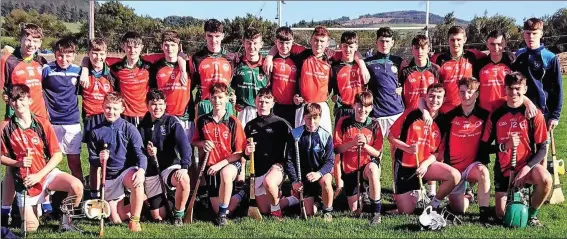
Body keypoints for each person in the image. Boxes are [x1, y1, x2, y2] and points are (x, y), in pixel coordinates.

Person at [1, 84, 84, 232]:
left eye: (21, 99)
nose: (18, 103)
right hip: (25, 182)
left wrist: (40, 175)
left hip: (45, 174)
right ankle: (34, 209)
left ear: (29, 100)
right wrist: (17, 163)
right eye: (14, 100)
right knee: (31, 228)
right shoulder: (5, 127)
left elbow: (57, 155)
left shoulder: (42, 123)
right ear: (9, 102)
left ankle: (66, 223)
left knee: (77, 186)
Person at [264, 26, 369, 133]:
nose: (318, 44)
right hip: (304, 106)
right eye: (316, 40)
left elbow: (354, 52)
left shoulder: (331, 57)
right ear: (311, 40)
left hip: (321, 106)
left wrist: (362, 65)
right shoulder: (302, 54)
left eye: (322, 41)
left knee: (323, 141)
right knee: (300, 142)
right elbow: (279, 44)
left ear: (327, 43)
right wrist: (269, 57)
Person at [478, 72, 551, 226]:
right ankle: (513, 196)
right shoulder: (496, 115)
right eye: (510, 88)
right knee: (502, 215)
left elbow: (543, 148)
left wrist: (526, 169)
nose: (514, 92)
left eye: (518, 88)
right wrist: (505, 146)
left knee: (545, 178)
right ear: (504, 89)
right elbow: (484, 148)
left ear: (525, 89)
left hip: (527, 167)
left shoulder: (533, 114)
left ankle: (532, 215)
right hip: (504, 169)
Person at [1, 23, 49, 225]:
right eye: (28, 39)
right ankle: (4, 210)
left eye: (36, 40)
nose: (31, 44)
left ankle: (43, 205)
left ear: (40, 43)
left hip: (39, 121)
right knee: (13, 167)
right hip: (17, 123)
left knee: (42, 162)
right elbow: (4, 90)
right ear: (20, 39)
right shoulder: (8, 61)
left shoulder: (42, 61)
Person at [388, 83, 461, 214]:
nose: (435, 100)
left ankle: (434, 203)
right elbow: (391, 136)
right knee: (406, 212)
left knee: (454, 175)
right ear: (425, 97)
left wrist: (426, 165)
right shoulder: (411, 114)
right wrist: (407, 148)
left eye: (439, 97)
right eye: (431, 96)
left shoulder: (443, 122)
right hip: (405, 167)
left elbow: (437, 153)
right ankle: (412, 194)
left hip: (425, 167)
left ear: (444, 100)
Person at [87, 92, 147, 232]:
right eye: (108, 107)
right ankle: (143, 201)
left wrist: (141, 171)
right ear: (102, 107)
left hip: (125, 172)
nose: (111, 112)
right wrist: (100, 159)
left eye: (115, 108)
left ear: (122, 109)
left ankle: (135, 220)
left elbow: (141, 154)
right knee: (116, 219)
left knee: (136, 180)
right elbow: (91, 159)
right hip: (109, 177)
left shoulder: (129, 128)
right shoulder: (96, 131)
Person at [192, 82, 247, 226]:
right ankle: (241, 195)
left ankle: (222, 216)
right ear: (209, 98)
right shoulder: (202, 120)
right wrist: (203, 143)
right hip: (210, 166)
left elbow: (239, 152)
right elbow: (195, 141)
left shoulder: (233, 121)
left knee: (226, 174)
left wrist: (220, 165)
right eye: (214, 97)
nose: (217, 101)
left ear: (227, 98)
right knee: (219, 208)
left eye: (221, 97)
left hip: (230, 163)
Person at [441, 77, 491, 224]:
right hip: (454, 169)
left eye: (470, 92)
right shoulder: (450, 116)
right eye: (462, 92)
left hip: (472, 166)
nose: (466, 96)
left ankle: (484, 215)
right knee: (459, 208)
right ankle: (469, 195)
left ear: (477, 94)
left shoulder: (485, 115)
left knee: (483, 173)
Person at [139, 89, 191, 226]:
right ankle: (170, 199)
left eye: (161, 104)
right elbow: (138, 150)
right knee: (158, 217)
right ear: (147, 105)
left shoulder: (171, 121)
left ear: (165, 104)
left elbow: (184, 145)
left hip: (169, 167)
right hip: (152, 170)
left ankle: (179, 215)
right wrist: (148, 151)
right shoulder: (142, 124)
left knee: (184, 180)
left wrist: (185, 167)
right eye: (154, 104)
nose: (157, 108)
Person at [243, 88, 297, 219]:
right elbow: (244, 155)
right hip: (258, 169)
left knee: (269, 182)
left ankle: (277, 213)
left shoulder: (281, 123)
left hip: (277, 167)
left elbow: (294, 147)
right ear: (255, 102)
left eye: (267, 102)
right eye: (260, 101)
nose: (263, 105)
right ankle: (292, 200)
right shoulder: (250, 126)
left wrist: (291, 173)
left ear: (273, 103)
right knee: (265, 209)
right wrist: (246, 152)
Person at [334, 91, 383, 225]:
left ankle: (376, 212)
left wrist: (365, 145)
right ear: (354, 105)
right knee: (355, 209)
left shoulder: (374, 124)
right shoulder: (343, 122)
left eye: (367, 106)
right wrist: (352, 143)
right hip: (350, 169)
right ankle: (362, 194)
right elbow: (337, 149)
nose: (363, 110)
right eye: (360, 105)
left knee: (373, 169)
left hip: (367, 166)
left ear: (371, 107)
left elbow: (378, 153)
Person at [41, 37, 84, 183]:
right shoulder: (47, 70)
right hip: (52, 123)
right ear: (54, 54)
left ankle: (80, 194)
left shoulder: (78, 71)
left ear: (74, 55)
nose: (64, 59)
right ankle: (46, 196)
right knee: (49, 161)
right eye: (60, 55)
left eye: (68, 55)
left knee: (74, 162)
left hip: (72, 122)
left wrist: (85, 69)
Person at [79, 38, 116, 199]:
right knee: (94, 161)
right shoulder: (83, 73)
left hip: (108, 119)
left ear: (106, 54)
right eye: (94, 53)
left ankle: (111, 193)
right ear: (89, 53)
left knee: (111, 158)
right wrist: (84, 68)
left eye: (101, 54)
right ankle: (94, 195)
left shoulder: (112, 73)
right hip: (90, 121)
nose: (97, 57)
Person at [286, 103, 335, 221]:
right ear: (303, 117)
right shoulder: (295, 134)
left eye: (315, 118)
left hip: (320, 175)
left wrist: (319, 173)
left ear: (320, 117)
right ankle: (317, 203)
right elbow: (289, 160)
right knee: (309, 213)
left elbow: (329, 162)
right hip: (304, 178)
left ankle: (327, 211)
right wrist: (294, 181)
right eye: (308, 118)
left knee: (327, 182)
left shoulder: (325, 136)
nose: (311, 122)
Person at [513, 18, 563, 135]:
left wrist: (555, 116)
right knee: (525, 150)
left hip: (543, 111)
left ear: (541, 33)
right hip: (521, 109)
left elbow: (558, 88)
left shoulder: (550, 57)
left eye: (534, 33)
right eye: (528, 33)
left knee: (542, 149)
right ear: (523, 34)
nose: (531, 37)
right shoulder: (518, 55)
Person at [149, 30, 193, 142]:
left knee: (186, 151)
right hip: (164, 116)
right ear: (162, 46)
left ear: (179, 46)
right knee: (166, 151)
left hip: (185, 117)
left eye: (173, 45)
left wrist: (182, 62)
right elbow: (153, 91)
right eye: (166, 45)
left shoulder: (188, 67)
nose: (169, 48)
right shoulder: (155, 67)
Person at [189, 19, 237, 118]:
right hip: (205, 104)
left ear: (223, 36)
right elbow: (191, 85)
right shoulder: (196, 58)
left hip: (225, 104)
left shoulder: (232, 58)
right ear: (205, 36)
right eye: (210, 36)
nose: (213, 40)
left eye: (217, 36)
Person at [364, 27, 405, 138]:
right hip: (377, 113)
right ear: (376, 42)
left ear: (392, 42)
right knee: (376, 150)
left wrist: (401, 88)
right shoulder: (367, 63)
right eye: (382, 41)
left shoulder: (398, 61)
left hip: (396, 111)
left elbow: (405, 81)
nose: (384, 44)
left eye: (387, 41)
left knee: (397, 149)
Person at [433, 26, 483, 114]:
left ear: (465, 39)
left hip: (468, 109)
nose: (455, 43)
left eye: (459, 39)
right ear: (448, 40)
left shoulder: (473, 56)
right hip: (446, 111)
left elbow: (492, 56)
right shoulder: (439, 59)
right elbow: (422, 62)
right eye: (452, 40)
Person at [108, 31, 153, 127]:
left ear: (141, 47)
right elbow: (93, 58)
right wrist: (85, 65)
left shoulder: (148, 66)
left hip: (145, 114)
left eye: (136, 47)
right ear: (123, 46)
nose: (132, 50)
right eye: (129, 47)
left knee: (145, 142)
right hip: (125, 115)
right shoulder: (116, 68)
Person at [231, 27, 268, 127]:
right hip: (241, 111)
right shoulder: (237, 63)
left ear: (261, 44)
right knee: (241, 141)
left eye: (255, 43)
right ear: (243, 43)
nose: (252, 46)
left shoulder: (267, 65)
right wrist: (232, 97)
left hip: (261, 111)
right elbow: (230, 86)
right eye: (249, 42)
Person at [330, 31, 367, 125]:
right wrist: (335, 98)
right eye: (345, 46)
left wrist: (362, 65)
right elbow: (330, 90)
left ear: (356, 47)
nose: (348, 49)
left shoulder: (362, 65)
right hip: (343, 109)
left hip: (361, 109)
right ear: (340, 46)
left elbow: (368, 82)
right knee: (341, 138)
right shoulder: (335, 67)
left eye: (351, 47)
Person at [267, 26, 301, 126]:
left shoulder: (298, 59)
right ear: (275, 42)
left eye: (287, 43)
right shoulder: (271, 60)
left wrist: (299, 95)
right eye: (281, 42)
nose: (284, 46)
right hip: (275, 106)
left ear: (292, 42)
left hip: (293, 106)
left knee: (291, 137)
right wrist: (269, 57)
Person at [399, 34, 439, 110]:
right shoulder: (405, 71)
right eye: (416, 48)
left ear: (428, 49)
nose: (419, 51)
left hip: (431, 115)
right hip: (410, 115)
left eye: (423, 48)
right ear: (412, 50)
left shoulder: (435, 69)